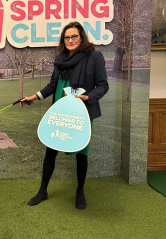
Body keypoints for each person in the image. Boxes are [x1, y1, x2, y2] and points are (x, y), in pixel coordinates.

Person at [20, 21, 109, 210]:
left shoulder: (95, 57)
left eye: (74, 36)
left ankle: (80, 191)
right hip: (59, 111)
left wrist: (88, 97)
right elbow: (53, 86)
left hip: (82, 112)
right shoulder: (60, 59)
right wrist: (34, 97)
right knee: (50, 150)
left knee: (81, 153)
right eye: (66, 37)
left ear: (81, 37)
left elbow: (103, 85)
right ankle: (42, 191)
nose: (70, 40)